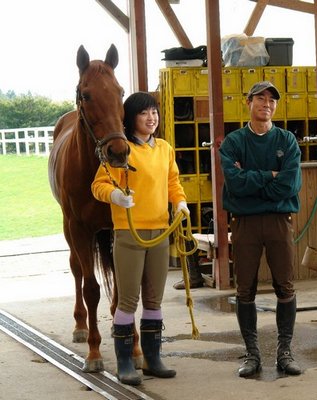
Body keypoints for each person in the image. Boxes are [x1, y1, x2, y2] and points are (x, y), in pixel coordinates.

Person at [92, 92, 188, 385]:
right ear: (131, 118)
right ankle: (124, 362)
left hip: (160, 232)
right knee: (128, 300)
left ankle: (152, 358)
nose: (151, 118)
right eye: (144, 113)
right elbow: (99, 184)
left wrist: (180, 202)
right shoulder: (122, 151)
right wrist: (115, 195)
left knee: (154, 299)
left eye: (154, 112)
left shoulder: (164, 148)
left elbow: (173, 182)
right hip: (129, 233)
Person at [219, 81, 303, 378]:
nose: (267, 104)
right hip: (245, 223)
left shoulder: (287, 140)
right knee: (245, 288)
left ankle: (285, 352)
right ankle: (252, 354)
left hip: (279, 221)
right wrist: (270, 175)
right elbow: (234, 184)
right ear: (248, 102)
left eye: (272, 100)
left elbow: (290, 185)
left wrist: (252, 182)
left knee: (285, 285)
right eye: (260, 98)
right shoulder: (233, 142)